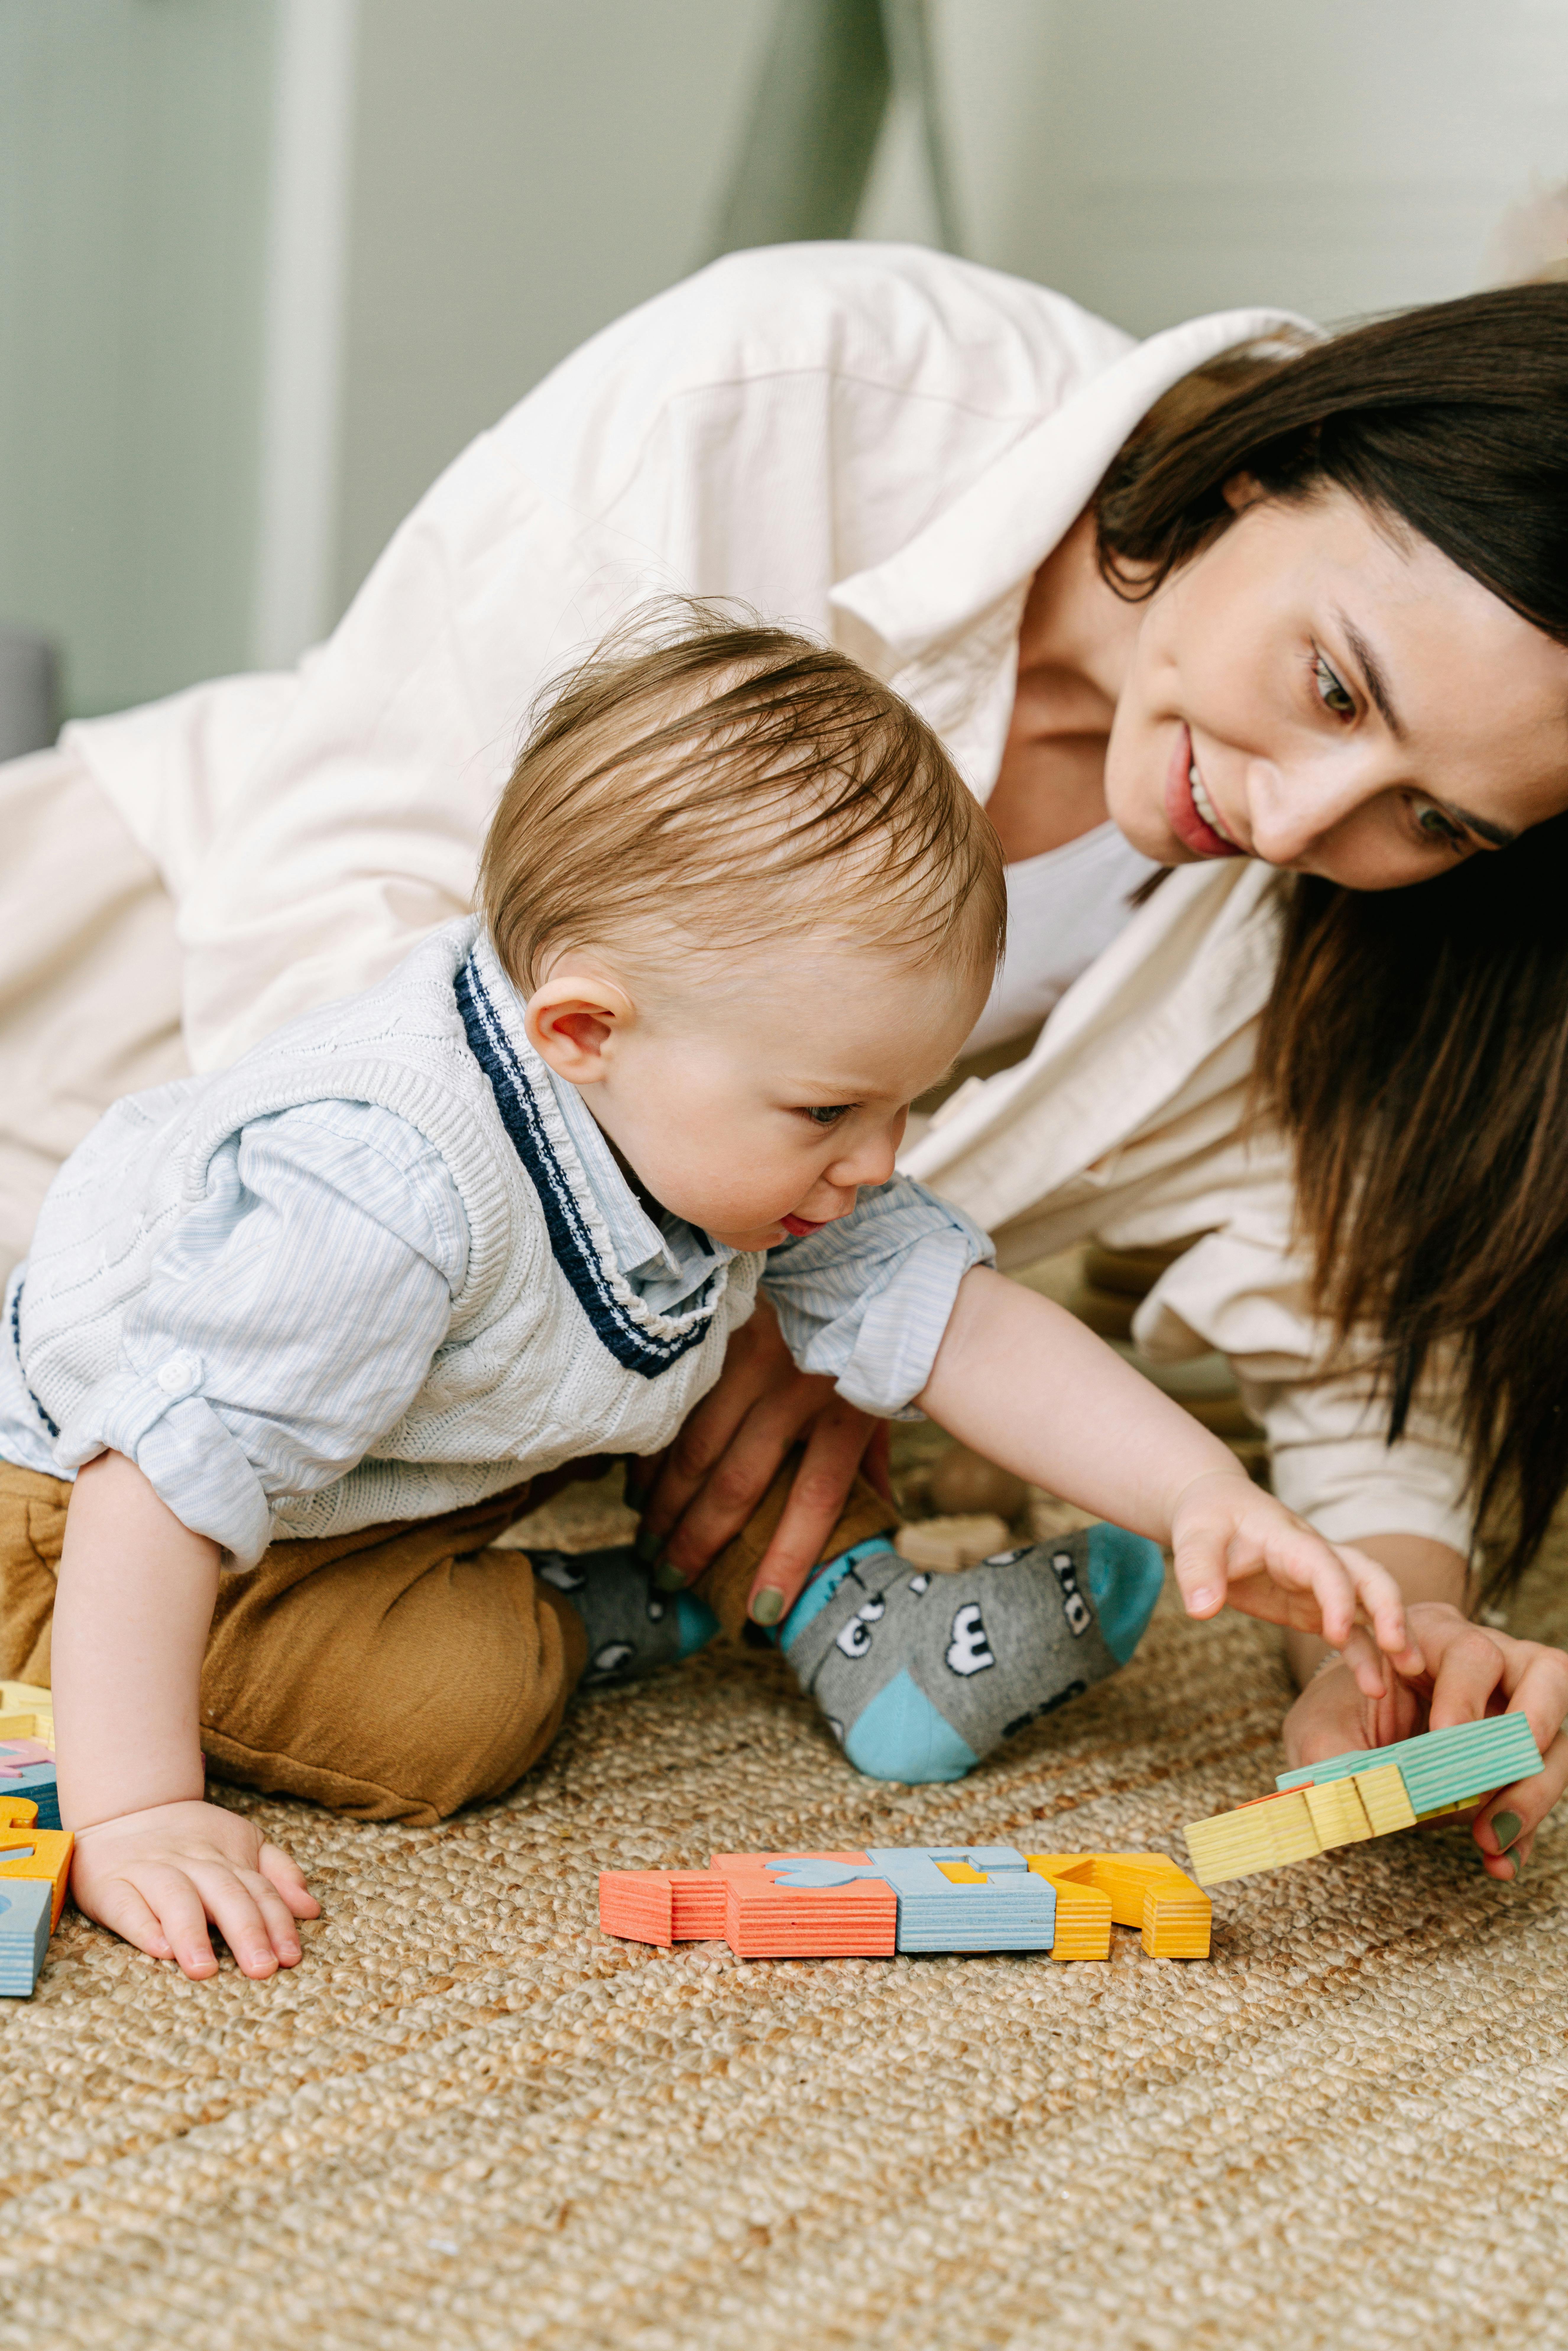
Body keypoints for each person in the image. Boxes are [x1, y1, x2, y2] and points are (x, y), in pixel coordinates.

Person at [4, 243, 1568, 1879]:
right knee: (387, 1679)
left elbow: (1274, 1347)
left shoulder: (1339, 952)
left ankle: (702, 1604)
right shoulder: (812, 390)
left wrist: (1372, 1632)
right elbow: (326, 898)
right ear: (1271, 462)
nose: (1297, 823)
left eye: (1436, 817)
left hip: (522, 1406)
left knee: (497, 1636)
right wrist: (745, 1274)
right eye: (1331, 684)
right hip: (131, 1061)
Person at [0, 617, 1416, 1981]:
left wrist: (1200, 1492)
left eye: (905, 1103)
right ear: (585, 1030)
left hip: (392, 1453)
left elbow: (964, 1323)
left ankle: (867, 1628)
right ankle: (612, 1606)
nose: (878, 1160)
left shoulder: (707, 1110)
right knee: (452, 1713)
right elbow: (160, 1486)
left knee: (796, 1328)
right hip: (88, 1530)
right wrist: (130, 1809)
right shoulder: (383, 1193)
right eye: (828, 1109)